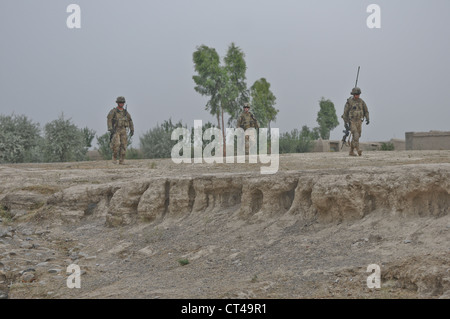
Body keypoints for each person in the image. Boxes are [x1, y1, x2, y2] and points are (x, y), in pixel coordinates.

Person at [342, 87, 370, 156]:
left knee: (357, 136)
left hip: (359, 121)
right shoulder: (349, 102)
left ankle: (351, 151)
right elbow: (345, 114)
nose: (358, 96)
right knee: (356, 135)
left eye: (358, 94)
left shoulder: (361, 102)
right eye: (356, 94)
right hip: (352, 122)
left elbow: (366, 111)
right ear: (353, 94)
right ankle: (358, 150)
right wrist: (346, 123)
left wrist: (367, 118)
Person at [107, 96, 134, 164]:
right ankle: (114, 158)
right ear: (117, 103)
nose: (121, 104)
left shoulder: (125, 113)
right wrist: (110, 128)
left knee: (124, 145)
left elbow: (130, 121)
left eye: (122, 102)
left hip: (123, 130)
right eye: (120, 102)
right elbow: (109, 119)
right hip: (116, 130)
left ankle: (122, 160)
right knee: (116, 144)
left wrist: (132, 129)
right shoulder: (113, 111)